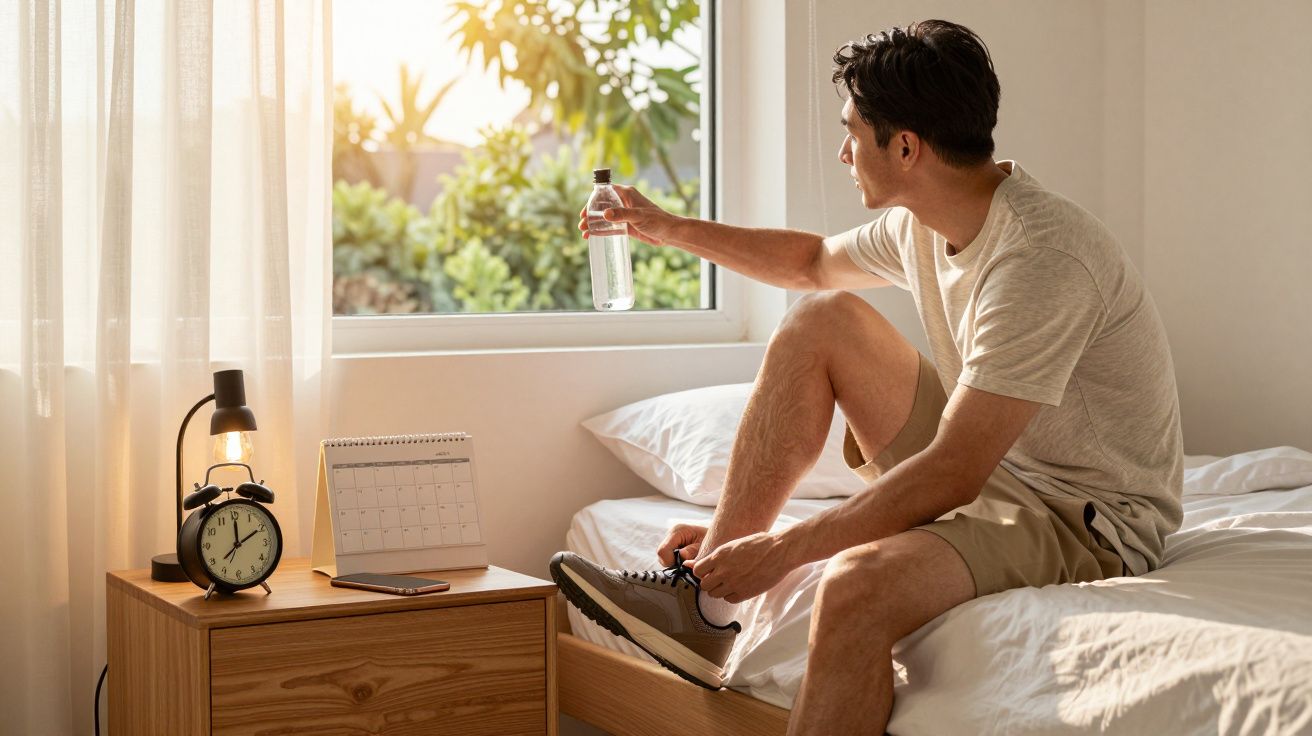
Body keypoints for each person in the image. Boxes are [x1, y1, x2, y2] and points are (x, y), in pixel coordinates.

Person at [550, 18, 1183, 735]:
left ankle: (720, 583)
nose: (843, 150)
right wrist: (666, 228)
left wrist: (783, 552)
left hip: (1084, 519)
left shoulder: (1041, 257)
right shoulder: (926, 219)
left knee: (852, 587)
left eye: (853, 130)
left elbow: (953, 473)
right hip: (1005, 469)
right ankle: (700, 603)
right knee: (823, 317)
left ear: (905, 146)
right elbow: (811, 262)